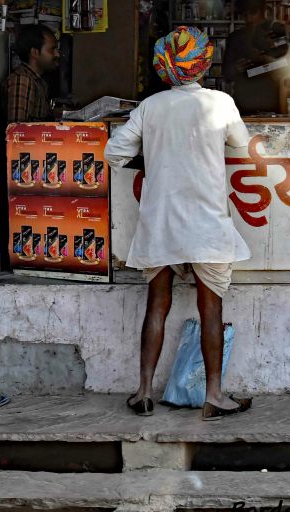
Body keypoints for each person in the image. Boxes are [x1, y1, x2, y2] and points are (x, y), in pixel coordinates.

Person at [104, 26, 253, 421]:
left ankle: (143, 391)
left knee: (157, 303)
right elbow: (240, 143)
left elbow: (114, 152)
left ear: (163, 66)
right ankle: (215, 395)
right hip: (206, 222)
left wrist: (155, 158)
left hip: (161, 221)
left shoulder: (150, 106)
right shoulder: (220, 102)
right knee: (211, 307)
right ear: (203, 62)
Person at [222, 0, 289, 114]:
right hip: (243, 106)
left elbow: (288, 70)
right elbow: (226, 75)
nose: (249, 19)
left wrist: (265, 61)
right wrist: (236, 68)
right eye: (245, 15)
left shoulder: (277, 35)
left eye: (253, 13)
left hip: (272, 105)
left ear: (263, 11)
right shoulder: (235, 38)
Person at [2, 24, 59, 123]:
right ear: (35, 52)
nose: (57, 54)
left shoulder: (39, 82)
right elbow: (17, 132)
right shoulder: (22, 81)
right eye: (51, 50)